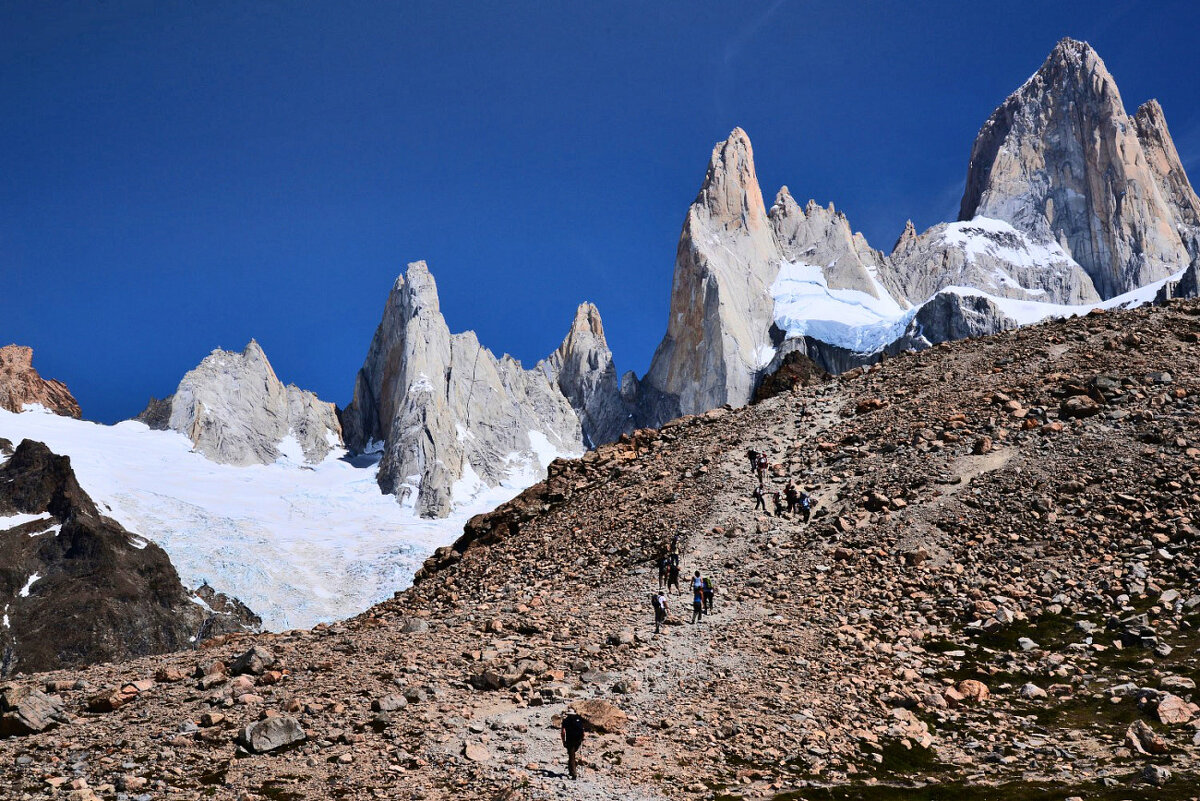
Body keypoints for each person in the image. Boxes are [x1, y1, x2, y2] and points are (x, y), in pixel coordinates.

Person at [561, 709, 586, 779]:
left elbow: (563, 732)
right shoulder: (578, 719)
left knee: (571, 756)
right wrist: (582, 738)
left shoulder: (565, 721)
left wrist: (563, 741)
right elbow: (582, 730)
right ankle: (571, 770)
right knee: (572, 755)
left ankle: (574, 772)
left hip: (570, 740)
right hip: (578, 740)